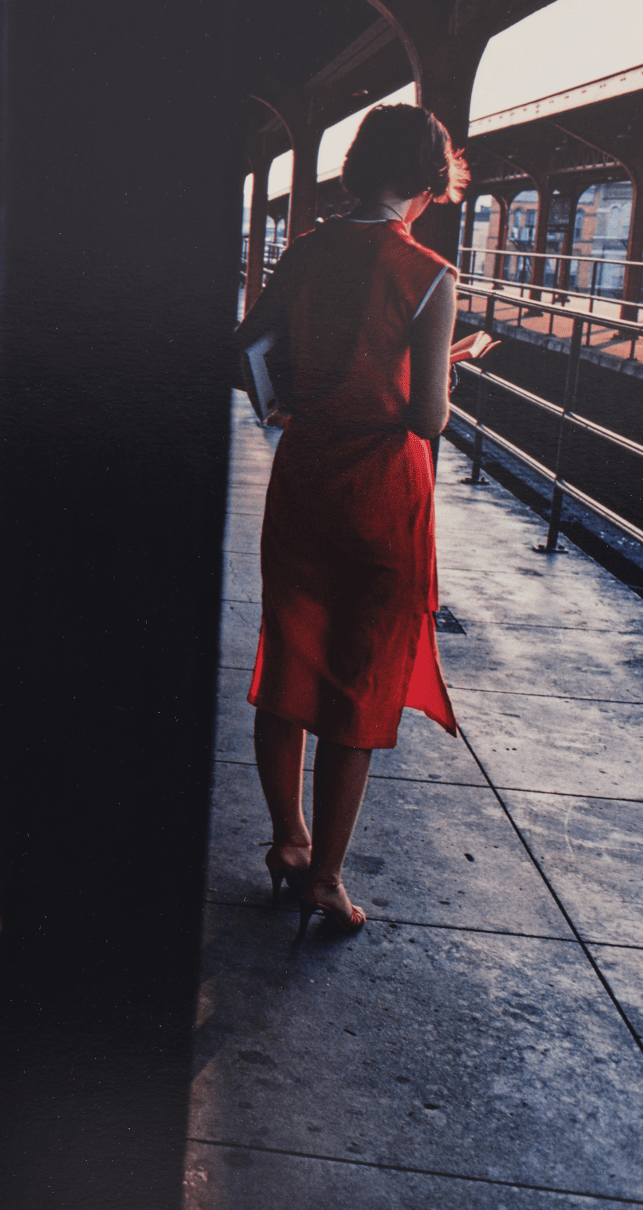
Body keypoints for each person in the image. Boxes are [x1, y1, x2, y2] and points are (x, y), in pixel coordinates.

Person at [235, 103, 467, 938]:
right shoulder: (431, 275)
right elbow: (428, 420)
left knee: (289, 653)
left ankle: (288, 841)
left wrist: (292, 402)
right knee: (358, 679)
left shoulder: (304, 253)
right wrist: (447, 366)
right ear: (430, 182)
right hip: (380, 494)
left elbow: (248, 351)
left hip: (304, 479)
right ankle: (327, 879)